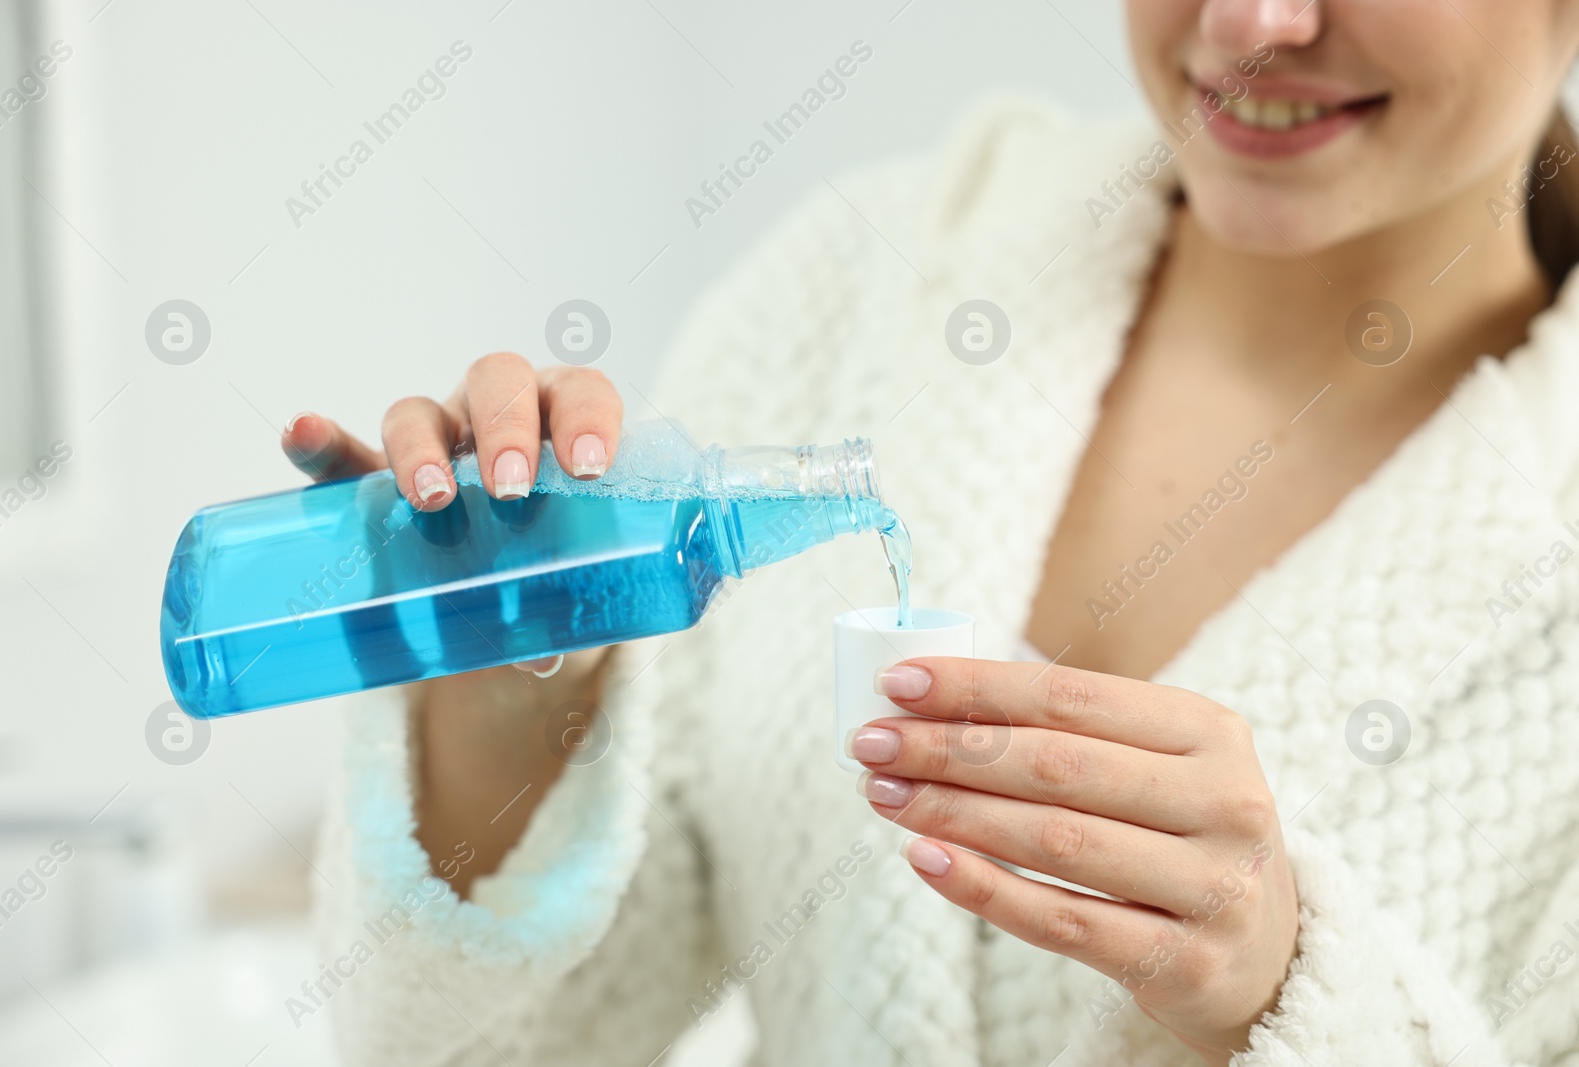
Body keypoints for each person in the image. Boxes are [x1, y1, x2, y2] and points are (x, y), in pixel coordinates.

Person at [282, 1, 1579, 1063]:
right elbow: (492, 1050)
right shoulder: (861, 282)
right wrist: (507, 696)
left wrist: (1289, 995)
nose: (1252, 22)